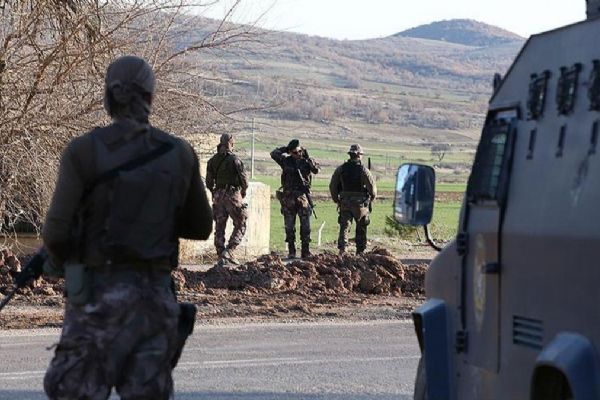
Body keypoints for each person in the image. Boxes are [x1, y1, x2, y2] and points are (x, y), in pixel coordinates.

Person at [41, 55, 213, 400]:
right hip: (155, 303)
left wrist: (68, 263)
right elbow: (201, 227)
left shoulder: (83, 152)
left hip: (96, 302)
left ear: (108, 97)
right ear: (150, 97)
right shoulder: (179, 153)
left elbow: (56, 234)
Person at [271, 139, 320, 259]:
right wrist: (286, 149)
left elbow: (316, 170)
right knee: (289, 227)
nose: (296, 155)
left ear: (301, 150)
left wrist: (308, 159)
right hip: (288, 198)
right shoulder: (286, 161)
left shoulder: (307, 161)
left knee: (305, 227)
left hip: (302, 197)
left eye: (298, 152)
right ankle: (291, 251)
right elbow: (273, 153)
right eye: (293, 152)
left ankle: (305, 251)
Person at [205, 133, 249, 265]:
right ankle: (229, 251)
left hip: (218, 196)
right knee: (241, 221)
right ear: (230, 144)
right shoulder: (235, 160)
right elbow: (244, 180)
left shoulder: (212, 160)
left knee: (219, 226)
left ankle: (221, 255)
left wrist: (215, 192)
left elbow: (208, 182)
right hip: (232, 194)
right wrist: (243, 191)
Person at [329, 144, 377, 255]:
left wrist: (336, 199)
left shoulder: (341, 169)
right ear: (359, 155)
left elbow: (332, 186)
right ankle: (360, 251)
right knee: (361, 227)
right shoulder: (363, 170)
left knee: (344, 226)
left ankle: (343, 249)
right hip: (360, 204)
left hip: (345, 202)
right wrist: (372, 198)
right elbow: (372, 188)